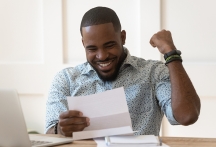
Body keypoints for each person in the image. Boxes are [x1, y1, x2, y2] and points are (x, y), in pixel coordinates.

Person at [45, 6, 200, 137]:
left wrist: (170, 53)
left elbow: (186, 116)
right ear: (83, 44)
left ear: (123, 37)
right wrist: (60, 129)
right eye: (92, 48)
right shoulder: (66, 80)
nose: (102, 55)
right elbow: (49, 132)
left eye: (109, 45)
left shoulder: (153, 73)